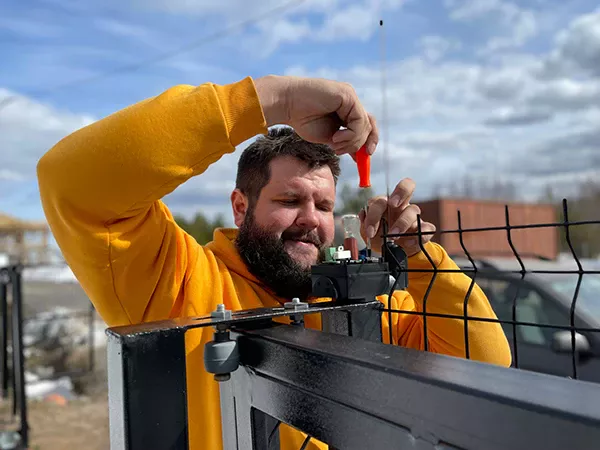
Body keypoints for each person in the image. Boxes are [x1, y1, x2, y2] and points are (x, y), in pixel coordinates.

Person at [37, 74, 511, 450]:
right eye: (289, 199)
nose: (311, 221)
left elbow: (486, 362)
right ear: (241, 207)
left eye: (324, 206)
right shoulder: (177, 279)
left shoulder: (364, 304)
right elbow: (70, 180)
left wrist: (420, 253)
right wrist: (273, 99)